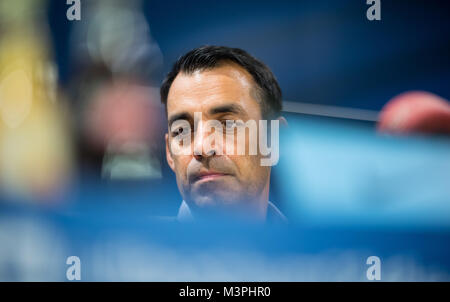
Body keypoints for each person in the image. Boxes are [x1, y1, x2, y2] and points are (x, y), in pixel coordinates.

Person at [160, 45, 287, 223]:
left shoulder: (323, 249)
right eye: (182, 131)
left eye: (227, 124)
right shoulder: (126, 249)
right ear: (169, 154)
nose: (202, 147)